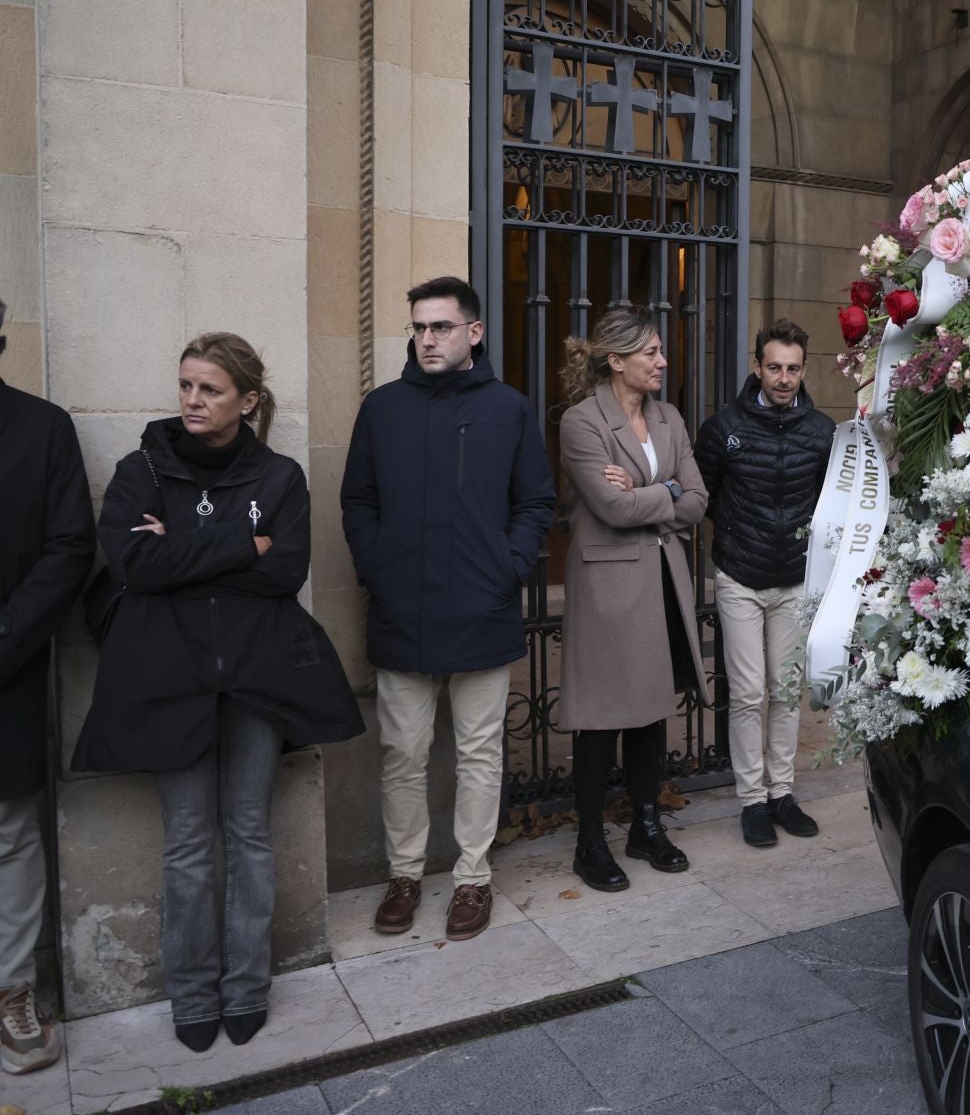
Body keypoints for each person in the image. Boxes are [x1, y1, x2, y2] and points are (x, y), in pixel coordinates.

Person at [72, 333, 363, 1052]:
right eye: (186, 386)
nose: (193, 401)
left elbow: (284, 569)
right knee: (189, 844)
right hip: (170, 680)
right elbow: (136, 565)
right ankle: (193, 994)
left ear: (248, 401)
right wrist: (242, 544)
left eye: (210, 389)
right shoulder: (141, 469)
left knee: (249, 833)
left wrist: (185, 552)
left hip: (257, 678)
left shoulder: (281, 477)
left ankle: (246, 989)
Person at [342, 276, 555, 942]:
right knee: (402, 752)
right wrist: (377, 566)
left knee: (479, 752)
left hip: (483, 608)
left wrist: (509, 567)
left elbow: (535, 504)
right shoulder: (382, 409)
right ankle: (404, 875)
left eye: (440, 326)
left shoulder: (509, 410)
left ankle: (471, 878)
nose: (427, 339)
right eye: (419, 327)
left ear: (474, 332)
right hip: (402, 609)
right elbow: (359, 502)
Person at [556, 310, 710, 891]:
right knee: (600, 718)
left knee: (651, 709)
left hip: (664, 578)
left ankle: (646, 827)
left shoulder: (668, 417)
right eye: (650, 352)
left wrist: (654, 489)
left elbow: (697, 498)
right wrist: (665, 493)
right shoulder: (581, 421)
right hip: (607, 587)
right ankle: (589, 842)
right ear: (615, 360)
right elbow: (610, 507)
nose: (662, 362)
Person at [694, 318, 835, 847]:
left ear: (803, 370)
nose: (783, 378)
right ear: (757, 367)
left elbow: (831, 506)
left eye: (792, 369)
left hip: (794, 581)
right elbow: (701, 496)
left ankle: (783, 794)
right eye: (773, 367)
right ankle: (752, 800)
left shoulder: (823, 432)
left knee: (785, 692)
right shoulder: (722, 428)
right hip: (740, 578)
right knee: (750, 693)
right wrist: (733, 537)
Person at [0, 300, 94, 1076]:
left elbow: (69, 548)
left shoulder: (42, 429)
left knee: (10, 836)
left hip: (9, 667)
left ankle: (14, 991)